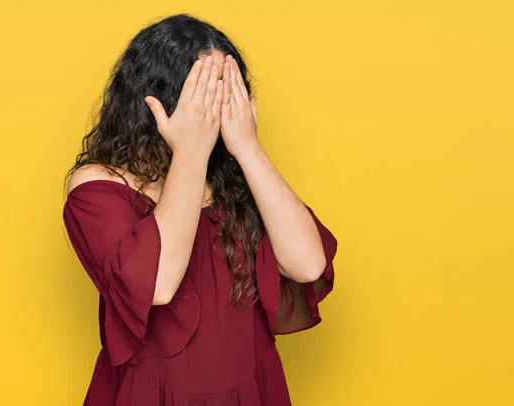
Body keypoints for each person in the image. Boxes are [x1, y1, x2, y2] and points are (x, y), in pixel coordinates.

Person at [62, 13, 338, 406]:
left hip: (249, 391)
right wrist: (190, 150)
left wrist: (248, 147)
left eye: (227, 90)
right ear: (157, 97)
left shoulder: (236, 178)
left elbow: (308, 265)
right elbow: (157, 285)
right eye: (202, 90)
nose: (217, 104)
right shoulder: (97, 187)